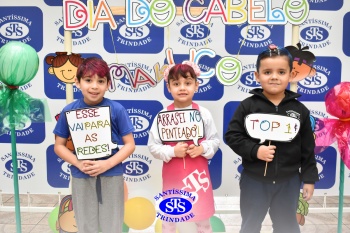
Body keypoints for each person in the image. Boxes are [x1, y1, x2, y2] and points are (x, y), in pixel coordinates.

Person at [224, 44, 319, 233]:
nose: (274, 76)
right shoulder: (247, 106)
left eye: (281, 72)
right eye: (267, 72)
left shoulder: (300, 111)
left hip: (289, 182)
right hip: (254, 181)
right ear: (257, 76)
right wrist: (255, 150)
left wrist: (309, 179)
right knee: (250, 225)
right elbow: (232, 136)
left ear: (291, 75)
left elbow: (308, 148)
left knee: (287, 226)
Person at [53, 57, 135, 233]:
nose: (94, 86)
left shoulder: (117, 109)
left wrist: (107, 163)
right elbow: (58, 146)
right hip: (81, 174)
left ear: (108, 84)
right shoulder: (69, 110)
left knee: (112, 224)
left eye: (101, 81)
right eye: (88, 80)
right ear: (77, 82)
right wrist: (78, 162)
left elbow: (130, 144)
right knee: (85, 224)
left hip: (112, 174)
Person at [148, 62, 220, 233]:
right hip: (173, 178)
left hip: (198, 178)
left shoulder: (204, 114)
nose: (182, 88)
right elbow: (153, 146)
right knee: (170, 221)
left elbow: (215, 141)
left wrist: (202, 148)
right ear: (169, 87)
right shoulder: (162, 116)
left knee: (202, 219)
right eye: (176, 84)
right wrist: (172, 151)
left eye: (187, 83)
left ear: (196, 85)